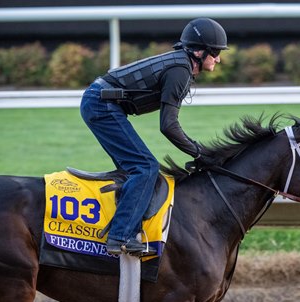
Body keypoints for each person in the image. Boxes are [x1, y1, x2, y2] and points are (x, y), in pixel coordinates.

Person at [80, 18, 228, 256]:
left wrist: (196, 151)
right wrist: (199, 152)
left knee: (135, 169)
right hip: (100, 104)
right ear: (199, 52)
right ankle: (120, 237)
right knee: (145, 167)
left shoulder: (181, 64)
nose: (219, 59)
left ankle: (127, 229)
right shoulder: (180, 70)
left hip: (101, 101)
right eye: (216, 53)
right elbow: (168, 125)